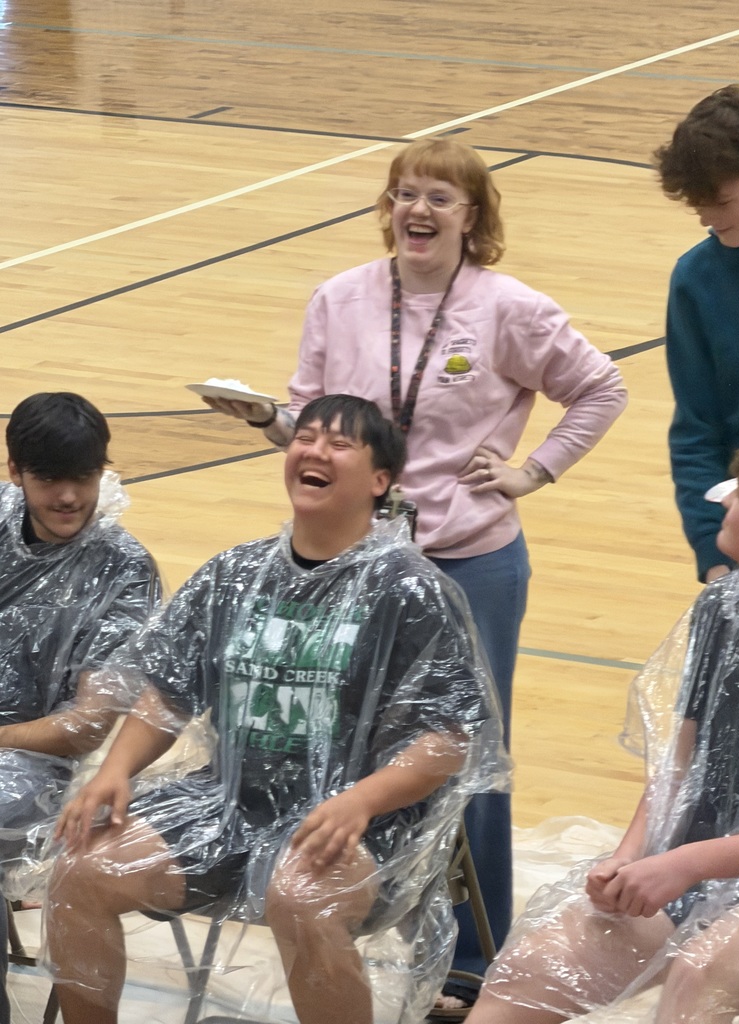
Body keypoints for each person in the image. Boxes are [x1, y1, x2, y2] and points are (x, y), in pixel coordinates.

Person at [203, 138, 628, 972]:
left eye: (439, 197)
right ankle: (372, 914)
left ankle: (475, 953)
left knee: (467, 749)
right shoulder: (340, 299)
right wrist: (266, 421)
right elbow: (317, 426)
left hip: (469, 562)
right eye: (404, 194)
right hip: (360, 567)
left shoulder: (509, 308)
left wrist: (530, 472)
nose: (417, 210)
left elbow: (601, 387)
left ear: (474, 218)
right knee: (363, 748)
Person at [43, 394, 508, 1024]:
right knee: (80, 868)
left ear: (381, 481)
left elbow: (448, 739)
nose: (314, 451)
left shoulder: (413, 589)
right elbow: (169, 692)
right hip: (229, 804)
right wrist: (114, 770)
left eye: (339, 444)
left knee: (300, 897)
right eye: (306, 437)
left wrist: (360, 801)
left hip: (368, 825)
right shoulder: (234, 572)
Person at [465, 431, 739, 1024]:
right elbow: (680, 766)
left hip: (713, 872)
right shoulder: (724, 607)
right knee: (533, 971)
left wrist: (686, 864)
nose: (722, 503)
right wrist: (629, 858)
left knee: (703, 975)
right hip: (693, 870)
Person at [0, 391, 162, 1023]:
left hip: (38, 767)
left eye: (84, 477)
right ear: (15, 472)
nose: (68, 497)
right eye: (48, 480)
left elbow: (84, 725)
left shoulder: (123, 570)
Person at [655, 83, 739, 584]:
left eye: (719, 200)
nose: (704, 217)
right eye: (696, 203)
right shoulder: (696, 280)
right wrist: (711, 547)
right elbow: (696, 429)